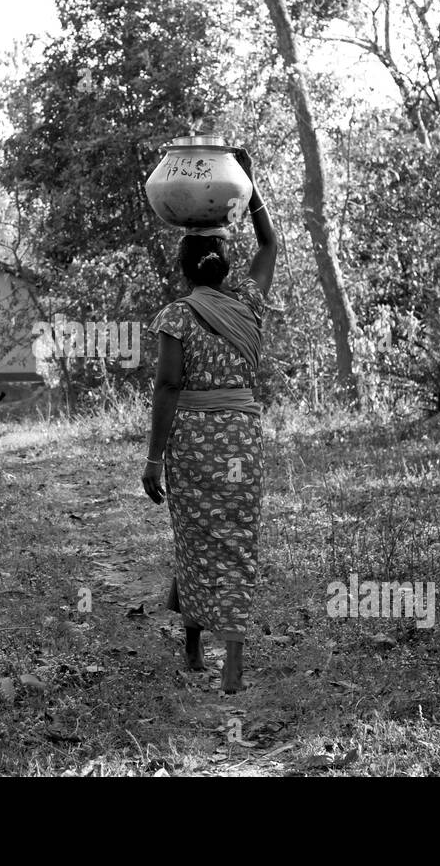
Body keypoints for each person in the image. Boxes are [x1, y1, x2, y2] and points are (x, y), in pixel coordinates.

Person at [142, 147, 277, 694]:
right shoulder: (248, 301)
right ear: (224, 265)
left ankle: (194, 644)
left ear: (182, 268)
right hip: (241, 437)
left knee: (196, 534)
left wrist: (154, 457)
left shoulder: (177, 314)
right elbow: (270, 243)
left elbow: (169, 386)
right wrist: (251, 181)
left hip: (195, 441)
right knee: (237, 539)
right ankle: (231, 659)